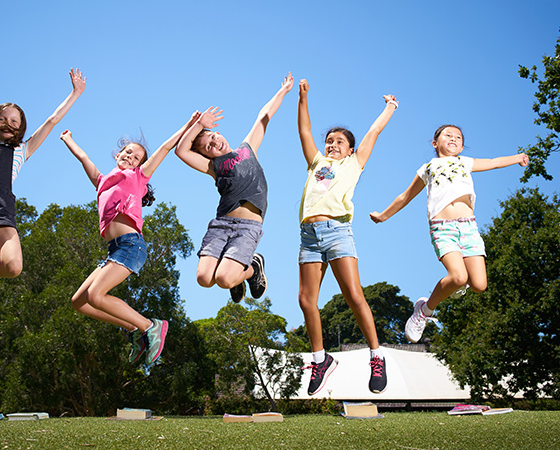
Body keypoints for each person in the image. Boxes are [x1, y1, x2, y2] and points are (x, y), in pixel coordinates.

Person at [60, 112, 199, 366]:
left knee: (96, 296)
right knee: (79, 302)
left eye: (135, 156)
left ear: (138, 165)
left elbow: (165, 148)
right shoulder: (102, 182)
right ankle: (134, 328)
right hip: (114, 250)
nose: (129, 156)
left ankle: (150, 326)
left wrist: (191, 125)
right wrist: (68, 139)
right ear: (117, 154)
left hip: (130, 245)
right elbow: (84, 158)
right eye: (126, 151)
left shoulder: (137, 177)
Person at [369, 124, 529, 343]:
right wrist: (383, 215)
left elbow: (492, 163)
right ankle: (424, 310)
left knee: (479, 285)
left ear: (462, 146)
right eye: (448, 135)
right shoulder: (428, 167)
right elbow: (405, 196)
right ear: (435, 143)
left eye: (458, 137)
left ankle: (455, 284)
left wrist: (517, 157)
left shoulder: (465, 162)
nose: (453, 138)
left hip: (469, 227)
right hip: (443, 227)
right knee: (459, 276)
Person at [0, 68, 86, 304]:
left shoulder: (21, 150)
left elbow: (52, 121)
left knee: (13, 266)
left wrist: (75, 93)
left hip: (1, 205)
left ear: (20, 128)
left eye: (14, 121)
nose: (7, 123)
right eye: (2, 119)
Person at [297, 79, 397, 395]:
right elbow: (304, 132)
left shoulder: (354, 164)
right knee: (305, 300)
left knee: (354, 295)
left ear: (350, 149)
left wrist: (390, 107)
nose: (332, 144)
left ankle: (376, 355)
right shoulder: (318, 163)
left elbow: (373, 133)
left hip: (338, 232)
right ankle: (319, 359)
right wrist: (303, 98)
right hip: (309, 235)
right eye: (330, 140)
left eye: (339, 141)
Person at [175, 73, 294, 304]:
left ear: (218, 132)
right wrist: (199, 124)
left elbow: (263, 117)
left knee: (224, 279)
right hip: (222, 224)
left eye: (212, 136)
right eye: (208, 146)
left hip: (248, 227)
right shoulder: (213, 166)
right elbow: (181, 151)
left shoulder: (247, 149)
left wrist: (284, 90)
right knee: (204, 278)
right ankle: (241, 272)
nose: (214, 143)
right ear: (207, 154)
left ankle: (252, 267)